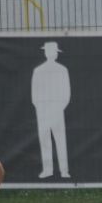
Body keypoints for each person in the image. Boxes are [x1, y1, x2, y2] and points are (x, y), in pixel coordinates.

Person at [31, 42, 70, 179]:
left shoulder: (61, 70)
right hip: (46, 110)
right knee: (50, 140)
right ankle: (53, 170)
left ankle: (60, 170)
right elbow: (35, 94)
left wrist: (58, 107)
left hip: (53, 109)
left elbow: (66, 92)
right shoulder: (40, 70)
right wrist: (41, 107)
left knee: (54, 140)